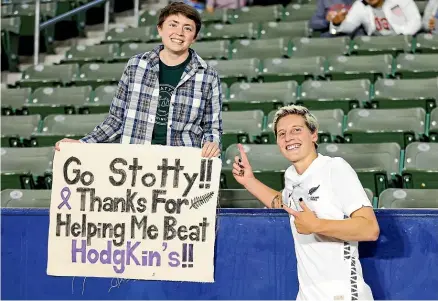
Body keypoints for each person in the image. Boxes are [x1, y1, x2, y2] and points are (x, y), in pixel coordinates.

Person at [232, 105, 380, 300]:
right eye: (281, 133)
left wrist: (317, 225)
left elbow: (370, 229)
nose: (289, 137)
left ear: (314, 135)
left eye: (296, 130)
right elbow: (282, 202)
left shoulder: (335, 168)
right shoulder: (292, 176)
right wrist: (249, 181)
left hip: (343, 294)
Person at [55, 2, 223, 158]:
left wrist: (212, 143)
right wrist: (82, 144)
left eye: (187, 28)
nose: (179, 33)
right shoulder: (136, 65)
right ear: (160, 29)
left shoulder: (208, 76)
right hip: (135, 163)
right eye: (173, 25)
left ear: (194, 37)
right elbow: (116, 119)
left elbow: (212, 127)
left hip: (181, 165)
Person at [329, 0, 422, 36]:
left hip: (403, 39)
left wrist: (402, 35)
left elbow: (416, 21)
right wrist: (336, 23)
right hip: (377, 42)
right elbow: (349, 26)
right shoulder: (360, 5)